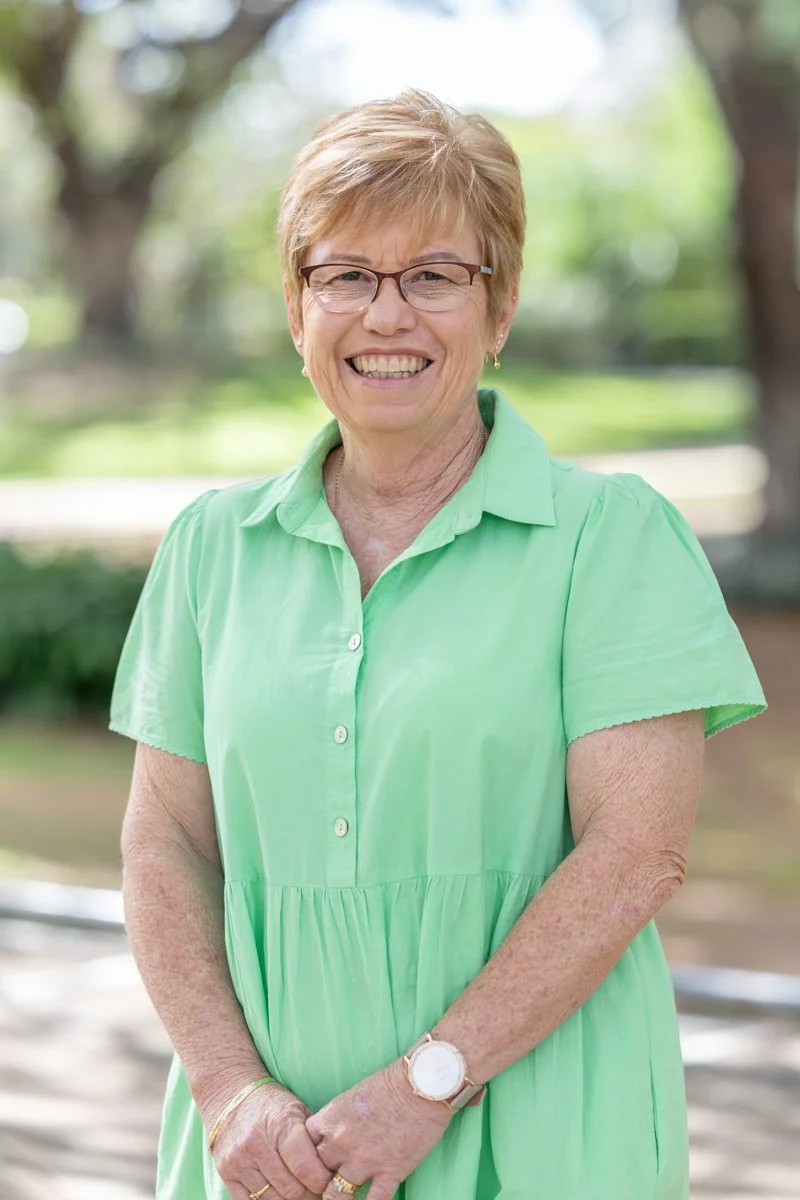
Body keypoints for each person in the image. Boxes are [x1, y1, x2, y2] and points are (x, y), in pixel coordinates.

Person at [110, 89, 766, 1200]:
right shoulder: (209, 549)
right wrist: (229, 1091)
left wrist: (425, 1086)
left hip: (543, 1128)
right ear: (296, 305)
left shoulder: (609, 540)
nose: (385, 315)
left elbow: (633, 853)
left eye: (432, 276)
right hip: (269, 1154)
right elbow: (163, 844)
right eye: (347, 276)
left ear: (498, 307)